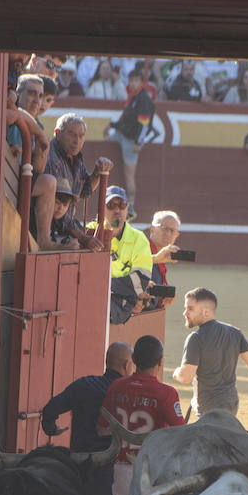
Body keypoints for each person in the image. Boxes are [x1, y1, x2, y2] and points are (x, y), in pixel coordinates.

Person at [41, 342, 133, 495]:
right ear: (127, 365)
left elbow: (50, 410)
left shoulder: (84, 384)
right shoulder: (128, 394)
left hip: (75, 465)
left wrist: (52, 429)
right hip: (108, 469)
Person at [99, 335, 185, 495]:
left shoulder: (116, 386)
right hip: (153, 473)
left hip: (121, 471)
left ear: (134, 360)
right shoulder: (166, 393)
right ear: (160, 361)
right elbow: (182, 435)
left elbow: (101, 429)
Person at [173, 288, 248, 417]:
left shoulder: (195, 338)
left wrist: (176, 373)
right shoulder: (234, 333)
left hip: (208, 407)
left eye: (190, 309)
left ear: (206, 312)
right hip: (231, 404)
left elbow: (186, 377)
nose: (185, 313)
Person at [34, 114, 111, 252]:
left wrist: (97, 172)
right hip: (46, 229)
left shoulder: (75, 158)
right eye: (72, 134)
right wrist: (83, 237)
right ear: (58, 134)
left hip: (61, 229)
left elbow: (84, 190)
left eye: (81, 136)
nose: (77, 140)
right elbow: (59, 209)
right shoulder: (52, 157)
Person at [92, 185, 155, 324]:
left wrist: (101, 284)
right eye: (111, 205)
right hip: (93, 296)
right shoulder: (89, 232)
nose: (117, 210)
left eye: (121, 205)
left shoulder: (139, 239)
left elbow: (141, 280)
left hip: (120, 304)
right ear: (102, 209)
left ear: (127, 209)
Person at [107, 69, 156, 216]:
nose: (133, 83)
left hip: (131, 140)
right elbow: (126, 119)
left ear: (141, 82)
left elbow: (145, 124)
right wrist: (112, 126)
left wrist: (138, 142)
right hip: (123, 135)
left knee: (129, 174)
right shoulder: (133, 97)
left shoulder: (143, 100)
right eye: (131, 80)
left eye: (136, 81)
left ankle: (132, 207)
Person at [144, 209, 181, 288]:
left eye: (172, 230)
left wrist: (162, 299)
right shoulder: (140, 248)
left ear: (176, 235)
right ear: (152, 229)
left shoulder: (163, 256)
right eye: (164, 228)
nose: (168, 234)